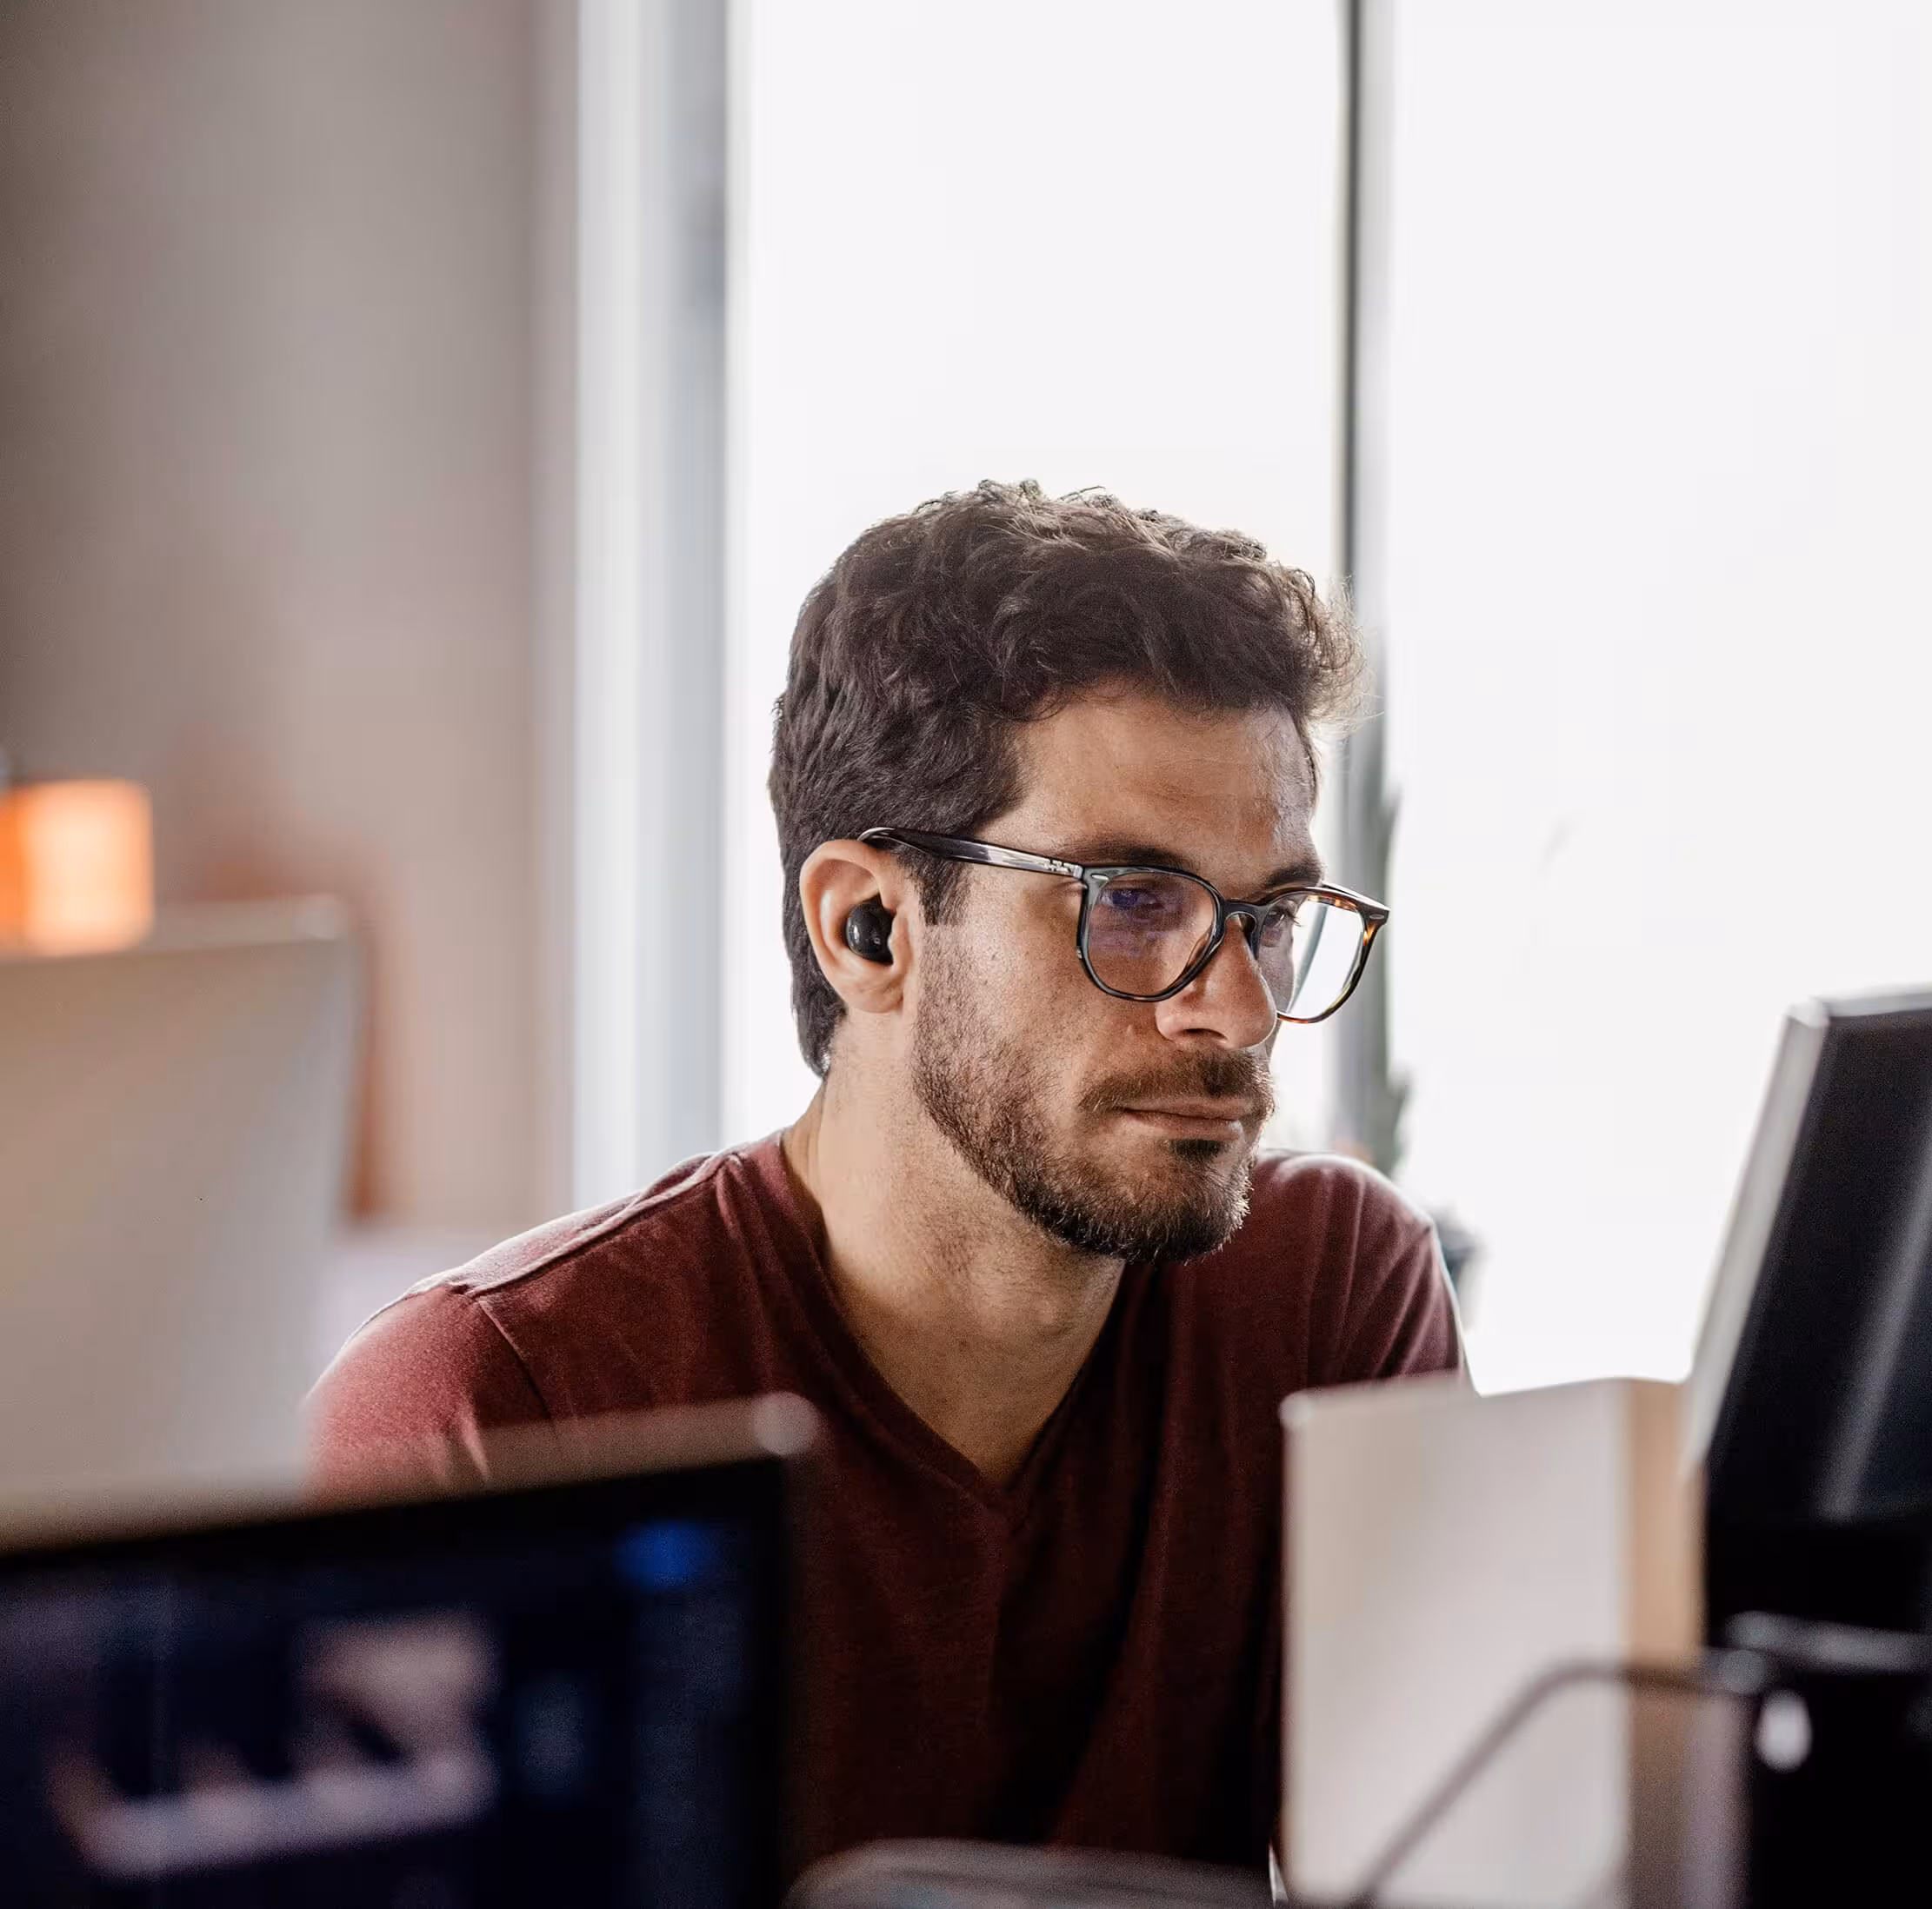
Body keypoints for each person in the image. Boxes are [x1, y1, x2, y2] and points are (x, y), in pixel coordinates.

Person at [310, 481, 1457, 1871]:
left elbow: (1465, 1866)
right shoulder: (497, 1403)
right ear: (868, 928)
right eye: (1133, 903)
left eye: (1268, 919)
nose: (1238, 1011)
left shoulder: (1325, 1289)